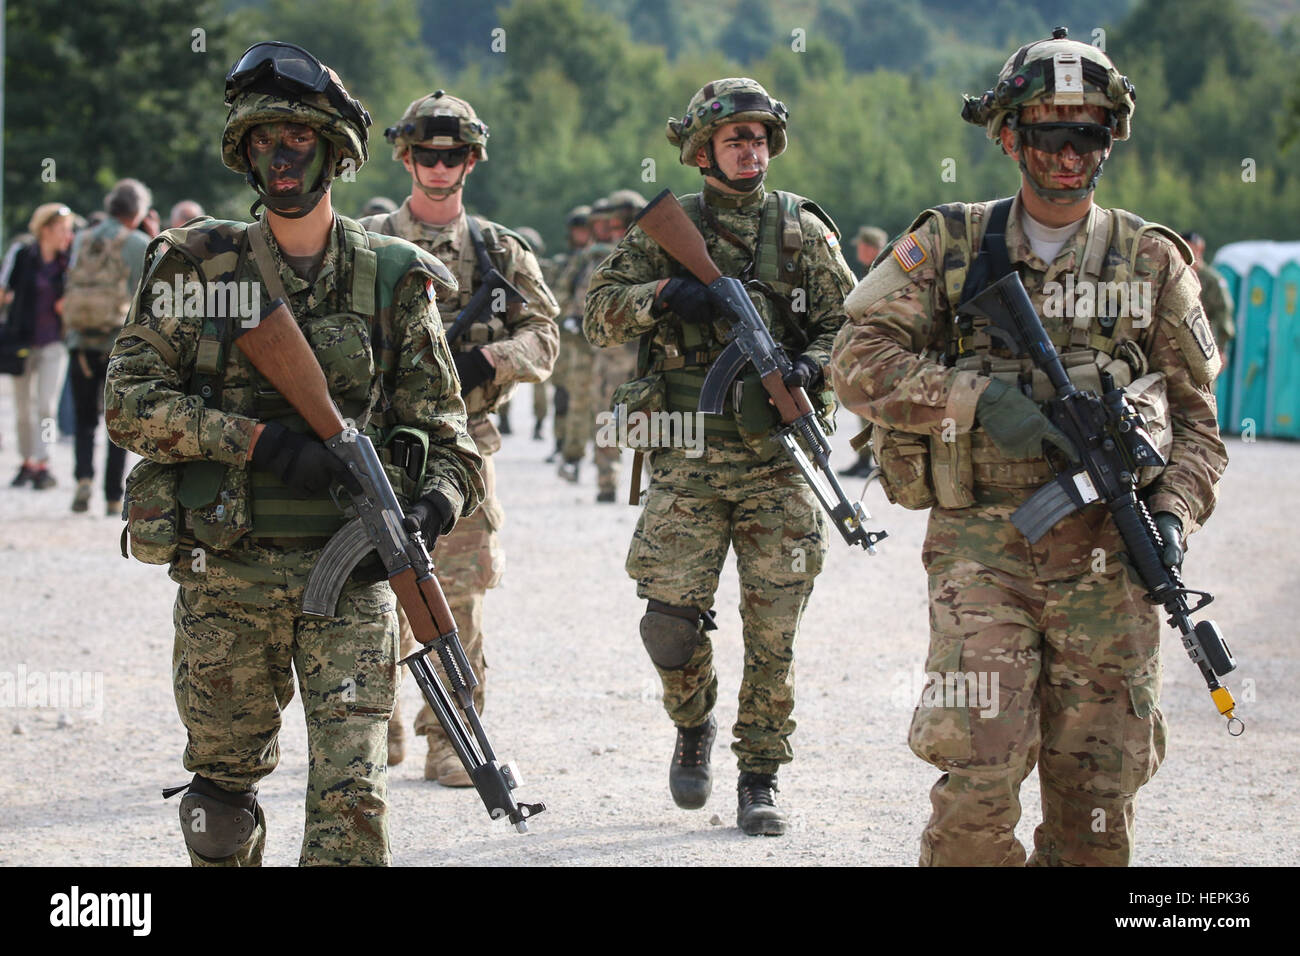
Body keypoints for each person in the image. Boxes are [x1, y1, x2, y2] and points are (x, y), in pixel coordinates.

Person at [830, 29, 1228, 866]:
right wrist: (978, 401)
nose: (1069, 153)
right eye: (1049, 131)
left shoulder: (1150, 259)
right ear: (1009, 135)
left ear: (1111, 141)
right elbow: (856, 361)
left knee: (1097, 793)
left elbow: (1197, 423)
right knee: (977, 775)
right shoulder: (948, 243)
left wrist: (1172, 515)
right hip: (985, 551)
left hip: (1112, 564)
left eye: (1089, 133)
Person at [105, 41, 483, 866]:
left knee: (354, 804)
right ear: (244, 153)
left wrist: (427, 507)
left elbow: (452, 439)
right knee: (219, 806)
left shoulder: (391, 279)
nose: (281, 157)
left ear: (335, 153)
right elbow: (127, 404)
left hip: (349, 582)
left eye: (300, 140)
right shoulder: (197, 266)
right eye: (265, 141)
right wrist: (259, 444)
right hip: (225, 575)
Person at [585, 77, 852, 835]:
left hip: (779, 463)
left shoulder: (801, 228)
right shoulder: (665, 229)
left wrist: (812, 366)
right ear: (703, 150)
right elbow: (598, 314)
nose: (751, 149)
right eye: (736, 139)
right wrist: (666, 294)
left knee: (774, 635)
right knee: (668, 627)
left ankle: (759, 776)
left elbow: (853, 323)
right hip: (688, 462)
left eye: (761, 138)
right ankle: (693, 720)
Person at [361, 89, 558, 782]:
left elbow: (546, 335)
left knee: (457, 597)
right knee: (366, 589)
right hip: (376, 441)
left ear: (471, 161)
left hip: (464, 445)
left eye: (451, 156)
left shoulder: (497, 249)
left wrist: (485, 359)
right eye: (425, 155)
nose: (437, 167)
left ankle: (450, 735)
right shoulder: (367, 240)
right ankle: (370, 730)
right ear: (405, 157)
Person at [62, 179, 152, 515]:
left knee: (84, 421)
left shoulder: (82, 238)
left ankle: (83, 478)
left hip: (80, 341)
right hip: (118, 347)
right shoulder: (139, 243)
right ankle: (113, 497)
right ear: (138, 210)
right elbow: (148, 298)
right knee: (118, 423)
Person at [568, 189, 644, 502]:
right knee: (611, 418)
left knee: (641, 418)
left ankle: (631, 482)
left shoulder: (614, 258)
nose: (614, 231)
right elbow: (583, 303)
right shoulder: (606, 257)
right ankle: (609, 481)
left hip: (638, 354)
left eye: (617, 225)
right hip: (620, 354)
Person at [4, 203, 76, 489]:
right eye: (63, 230)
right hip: (21, 341)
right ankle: (26, 461)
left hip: (53, 342)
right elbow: (4, 288)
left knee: (45, 405)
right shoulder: (22, 255)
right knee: (23, 407)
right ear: (45, 229)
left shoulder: (68, 261)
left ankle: (44, 462)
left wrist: (67, 305)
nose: (67, 236)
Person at [547, 204, 593, 462]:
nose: (581, 235)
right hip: (565, 338)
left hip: (588, 340)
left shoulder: (597, 259)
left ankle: (579, 446)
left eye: (585, 230)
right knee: (562, 393)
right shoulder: (568, 264)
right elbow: (555, 296)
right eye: (577, 230)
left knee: (586, 396)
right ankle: (561, 441)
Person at [1180, 231, 1235, 355]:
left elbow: (1223, 313)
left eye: (1190, 247)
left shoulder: (1212, 280)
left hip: (1204, 345)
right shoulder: (1175, 277)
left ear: (1200, 249)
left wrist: (1221, 350)